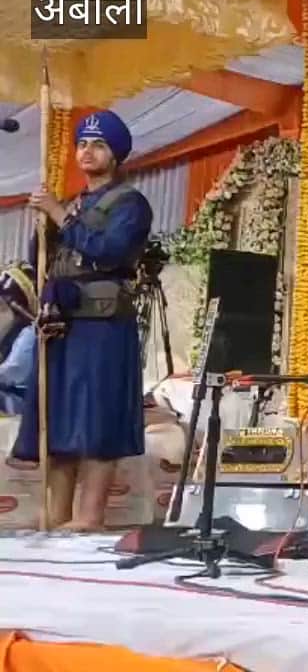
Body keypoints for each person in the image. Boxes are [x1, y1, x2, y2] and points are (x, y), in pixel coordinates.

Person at [11, 111, 153, 530]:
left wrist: (58, 214)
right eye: (83, 144)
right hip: (63, 323)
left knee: (97, 418)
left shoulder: (131, 204)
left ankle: (89, 516)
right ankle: (57, 514)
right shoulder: (73, 203)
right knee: (59, 420)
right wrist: (44, 227)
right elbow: (46, 261)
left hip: (103, 326)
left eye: (99, 145)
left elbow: (109, 251)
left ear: (116, 155)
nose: (87, 152)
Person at [0, 263, 37, 414]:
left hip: (20, 405)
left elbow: (14, 370)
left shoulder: (30, 334)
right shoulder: (7, 332)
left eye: (1, 306)